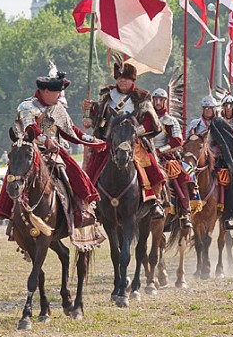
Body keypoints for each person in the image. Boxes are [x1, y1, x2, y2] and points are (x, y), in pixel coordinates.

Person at [0, 67, 107, 228]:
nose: (60, 96)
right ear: (46, 91)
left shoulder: (57, 108)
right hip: (30, 148)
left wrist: (92, 141)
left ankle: (78, 209)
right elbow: (30, 128)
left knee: (70, 171)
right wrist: (45, 140)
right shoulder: (26, 107)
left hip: (54, 150)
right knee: (16, 171)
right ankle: (11, 214)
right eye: (58, 93)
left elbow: (71, 131)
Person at [83, 60, 166, 219]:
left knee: (151, 167)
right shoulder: (107, 96)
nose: (122, 80)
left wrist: (135, 132)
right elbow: (100, 118)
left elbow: (151, 123)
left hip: (134, 142)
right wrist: (90, 114)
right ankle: (89, 201)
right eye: (120, 77)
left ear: (132, 79)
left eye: (126, 78)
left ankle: (155, 201)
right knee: (92, 167)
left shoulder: (142, 98)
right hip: (109, 141)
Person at [150, 87, 198, 229]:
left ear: (165, 101)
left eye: (161, 100)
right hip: (145, 154)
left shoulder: (170, 120)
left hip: (164, 155)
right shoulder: (144, 117)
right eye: (156, 99)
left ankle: (184, 212)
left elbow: (177, 141)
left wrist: (159, 150)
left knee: (180, 176)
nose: (158, 102)